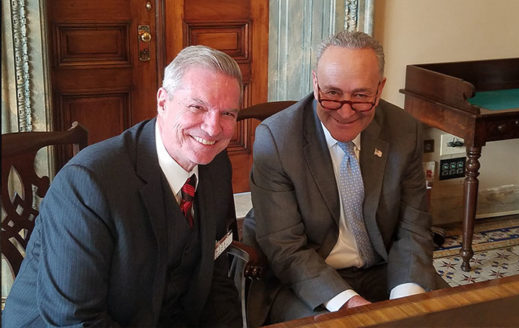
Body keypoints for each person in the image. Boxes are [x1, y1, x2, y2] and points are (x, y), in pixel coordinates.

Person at [3, 45, 243, 327]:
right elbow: (74, 320)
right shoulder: (87, 184)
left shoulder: (215, 164)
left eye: (228, 113)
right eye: (197, 107)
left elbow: (215, 277)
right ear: (163, 102)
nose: (213, 128)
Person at [244, 30, 446, 326]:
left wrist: (406, 300)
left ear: (380, 89)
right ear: (315, 84)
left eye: (361, 96)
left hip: (382, 268)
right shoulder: (276, 139)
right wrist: (350, 303)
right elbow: (285, 248)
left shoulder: (404, 130)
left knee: (455, 317)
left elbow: (413, 227)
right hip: (305, 281)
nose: (346, 112)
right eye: (333, 94)